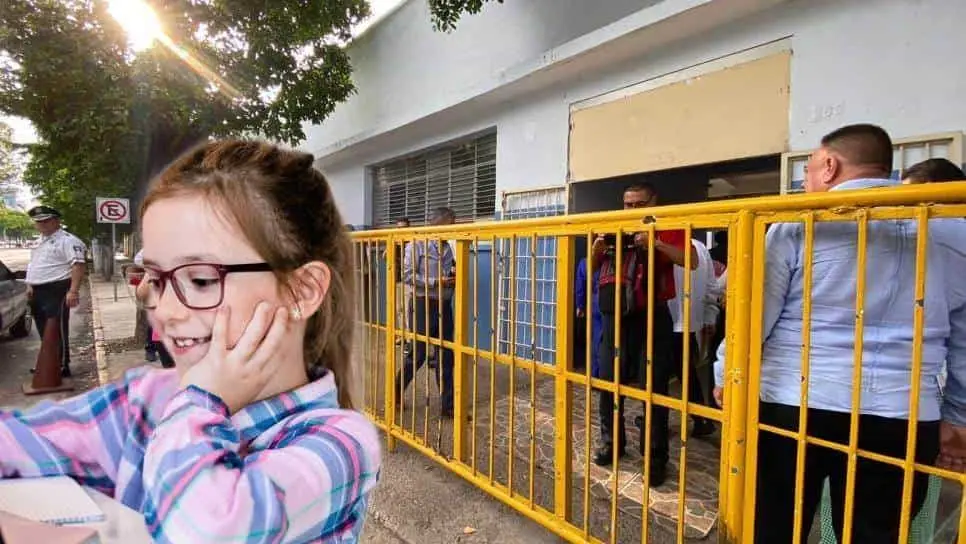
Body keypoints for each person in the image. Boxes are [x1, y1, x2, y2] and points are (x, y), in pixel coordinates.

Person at [0, 140, 381, 542]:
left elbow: (202, 530)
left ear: (302, 290)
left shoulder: (339, 444)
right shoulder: (147, 398)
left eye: (200, 280)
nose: (164, 309)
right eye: (156, 279)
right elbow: (18, 441)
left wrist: (200, 403)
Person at [714, 124, 966, 542]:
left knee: (772, 526)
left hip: (794, 402)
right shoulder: (954, 231)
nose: (807, 182)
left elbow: (754, 318)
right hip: (902, 412)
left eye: (809, 170)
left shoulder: (799, 222)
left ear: (829, 166)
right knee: (875, 533)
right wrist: (957, 417)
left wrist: (728, 375)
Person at [817, 157, 966, 544]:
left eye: (918, 199)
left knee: (905, 510)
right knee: (856, 505)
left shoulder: (950, 248)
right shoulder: (887, 245)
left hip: (923, 402)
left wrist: (957, 415)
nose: (907, 209)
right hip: (885, 400)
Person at [592, 183, 701, 487]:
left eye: (639, 204)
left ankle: (655, 457)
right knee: (608, 382)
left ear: (654, 202)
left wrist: (655, 242)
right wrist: (598, 246)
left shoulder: (668, 224)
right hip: (615, 316)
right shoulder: (613, 224)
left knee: (653, 387)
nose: (632, 210)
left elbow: (691, 260)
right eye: (628, 204)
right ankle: (611, 443)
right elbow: (593, 264)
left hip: (652, 315)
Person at [395, 207, 456, 417]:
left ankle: (448, 406)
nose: (454, 228)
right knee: (418, 355)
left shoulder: (449, 248)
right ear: (438, 224)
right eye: (451, 224)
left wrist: (452, 280)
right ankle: (395, 392)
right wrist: (436, 281)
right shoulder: (416, 245)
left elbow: (451, 271)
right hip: (422, 304)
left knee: (446, 356)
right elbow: (407, 276)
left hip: (444, 305)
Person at [25, 205, 86, 378]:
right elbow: (34, 264)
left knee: (57, 328)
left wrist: (73, 291)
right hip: (38, 289)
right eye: (38, 222)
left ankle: (61, 365)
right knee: (43, 329)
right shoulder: (38, 241)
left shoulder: (68, 240)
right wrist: (30, 285)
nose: (42, 224)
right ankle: (47, 363)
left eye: (46, 221)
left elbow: (78, 265)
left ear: (56, 221)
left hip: (56, 288)